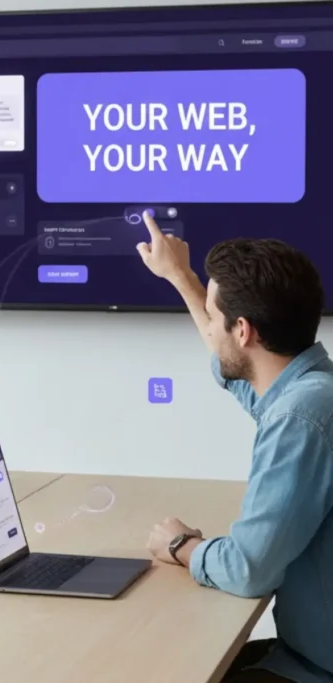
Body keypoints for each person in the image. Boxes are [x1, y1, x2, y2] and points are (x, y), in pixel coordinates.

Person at [137, 211, 333, 683]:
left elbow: (249, 569)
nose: (211, 323)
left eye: (216, 314)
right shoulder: (309, 389)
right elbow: (230, 365)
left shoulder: (298, 418)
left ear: (243, 331)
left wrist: (182, 545)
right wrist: (180, 277)